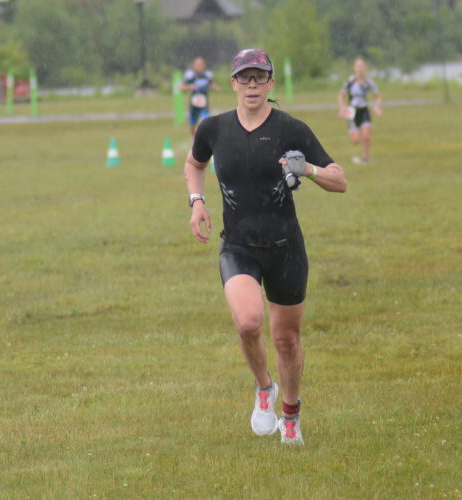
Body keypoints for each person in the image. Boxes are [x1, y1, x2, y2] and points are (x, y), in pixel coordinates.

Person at [184, 49, 347, 445]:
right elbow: (194, 165)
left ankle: (290, 413)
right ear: (234, 83)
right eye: (245, 77)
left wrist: (307, 169)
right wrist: (197, 201)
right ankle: (263, 388)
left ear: (271, 83)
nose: (253, 85)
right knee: (247, 322)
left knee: (286, 340)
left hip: (285, 247)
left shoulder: (291, 129)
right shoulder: (213, 128)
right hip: (238, 245)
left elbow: (339, 180)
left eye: (260, 77)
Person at [337, 57, 383, 165]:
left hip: (364, 110)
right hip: (351, 111)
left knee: (366, 136)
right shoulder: (350, 81)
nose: (360, 69)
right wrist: (342, 108)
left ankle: (365, 159)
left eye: (362, 66)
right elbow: (341, 95)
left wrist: (377, 106)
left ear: (365, 68)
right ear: (354, 68)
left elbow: (378, 96)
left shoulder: (369, 82)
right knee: (355, 140)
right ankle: (355, 133)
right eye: (358, 66)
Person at [180, 57, 221, 137]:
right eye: (198, 65)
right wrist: (189, 87)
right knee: (192, 124)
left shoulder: (207, 76)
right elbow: (181, 87)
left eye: (201, 65)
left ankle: (202, 138)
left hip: (204, 104)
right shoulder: (191, 76)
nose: (200, 67)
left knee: (204, 122)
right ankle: (194, 137)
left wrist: (216, 88)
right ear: (194, 66)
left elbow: (211, 83)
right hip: (193, 105)